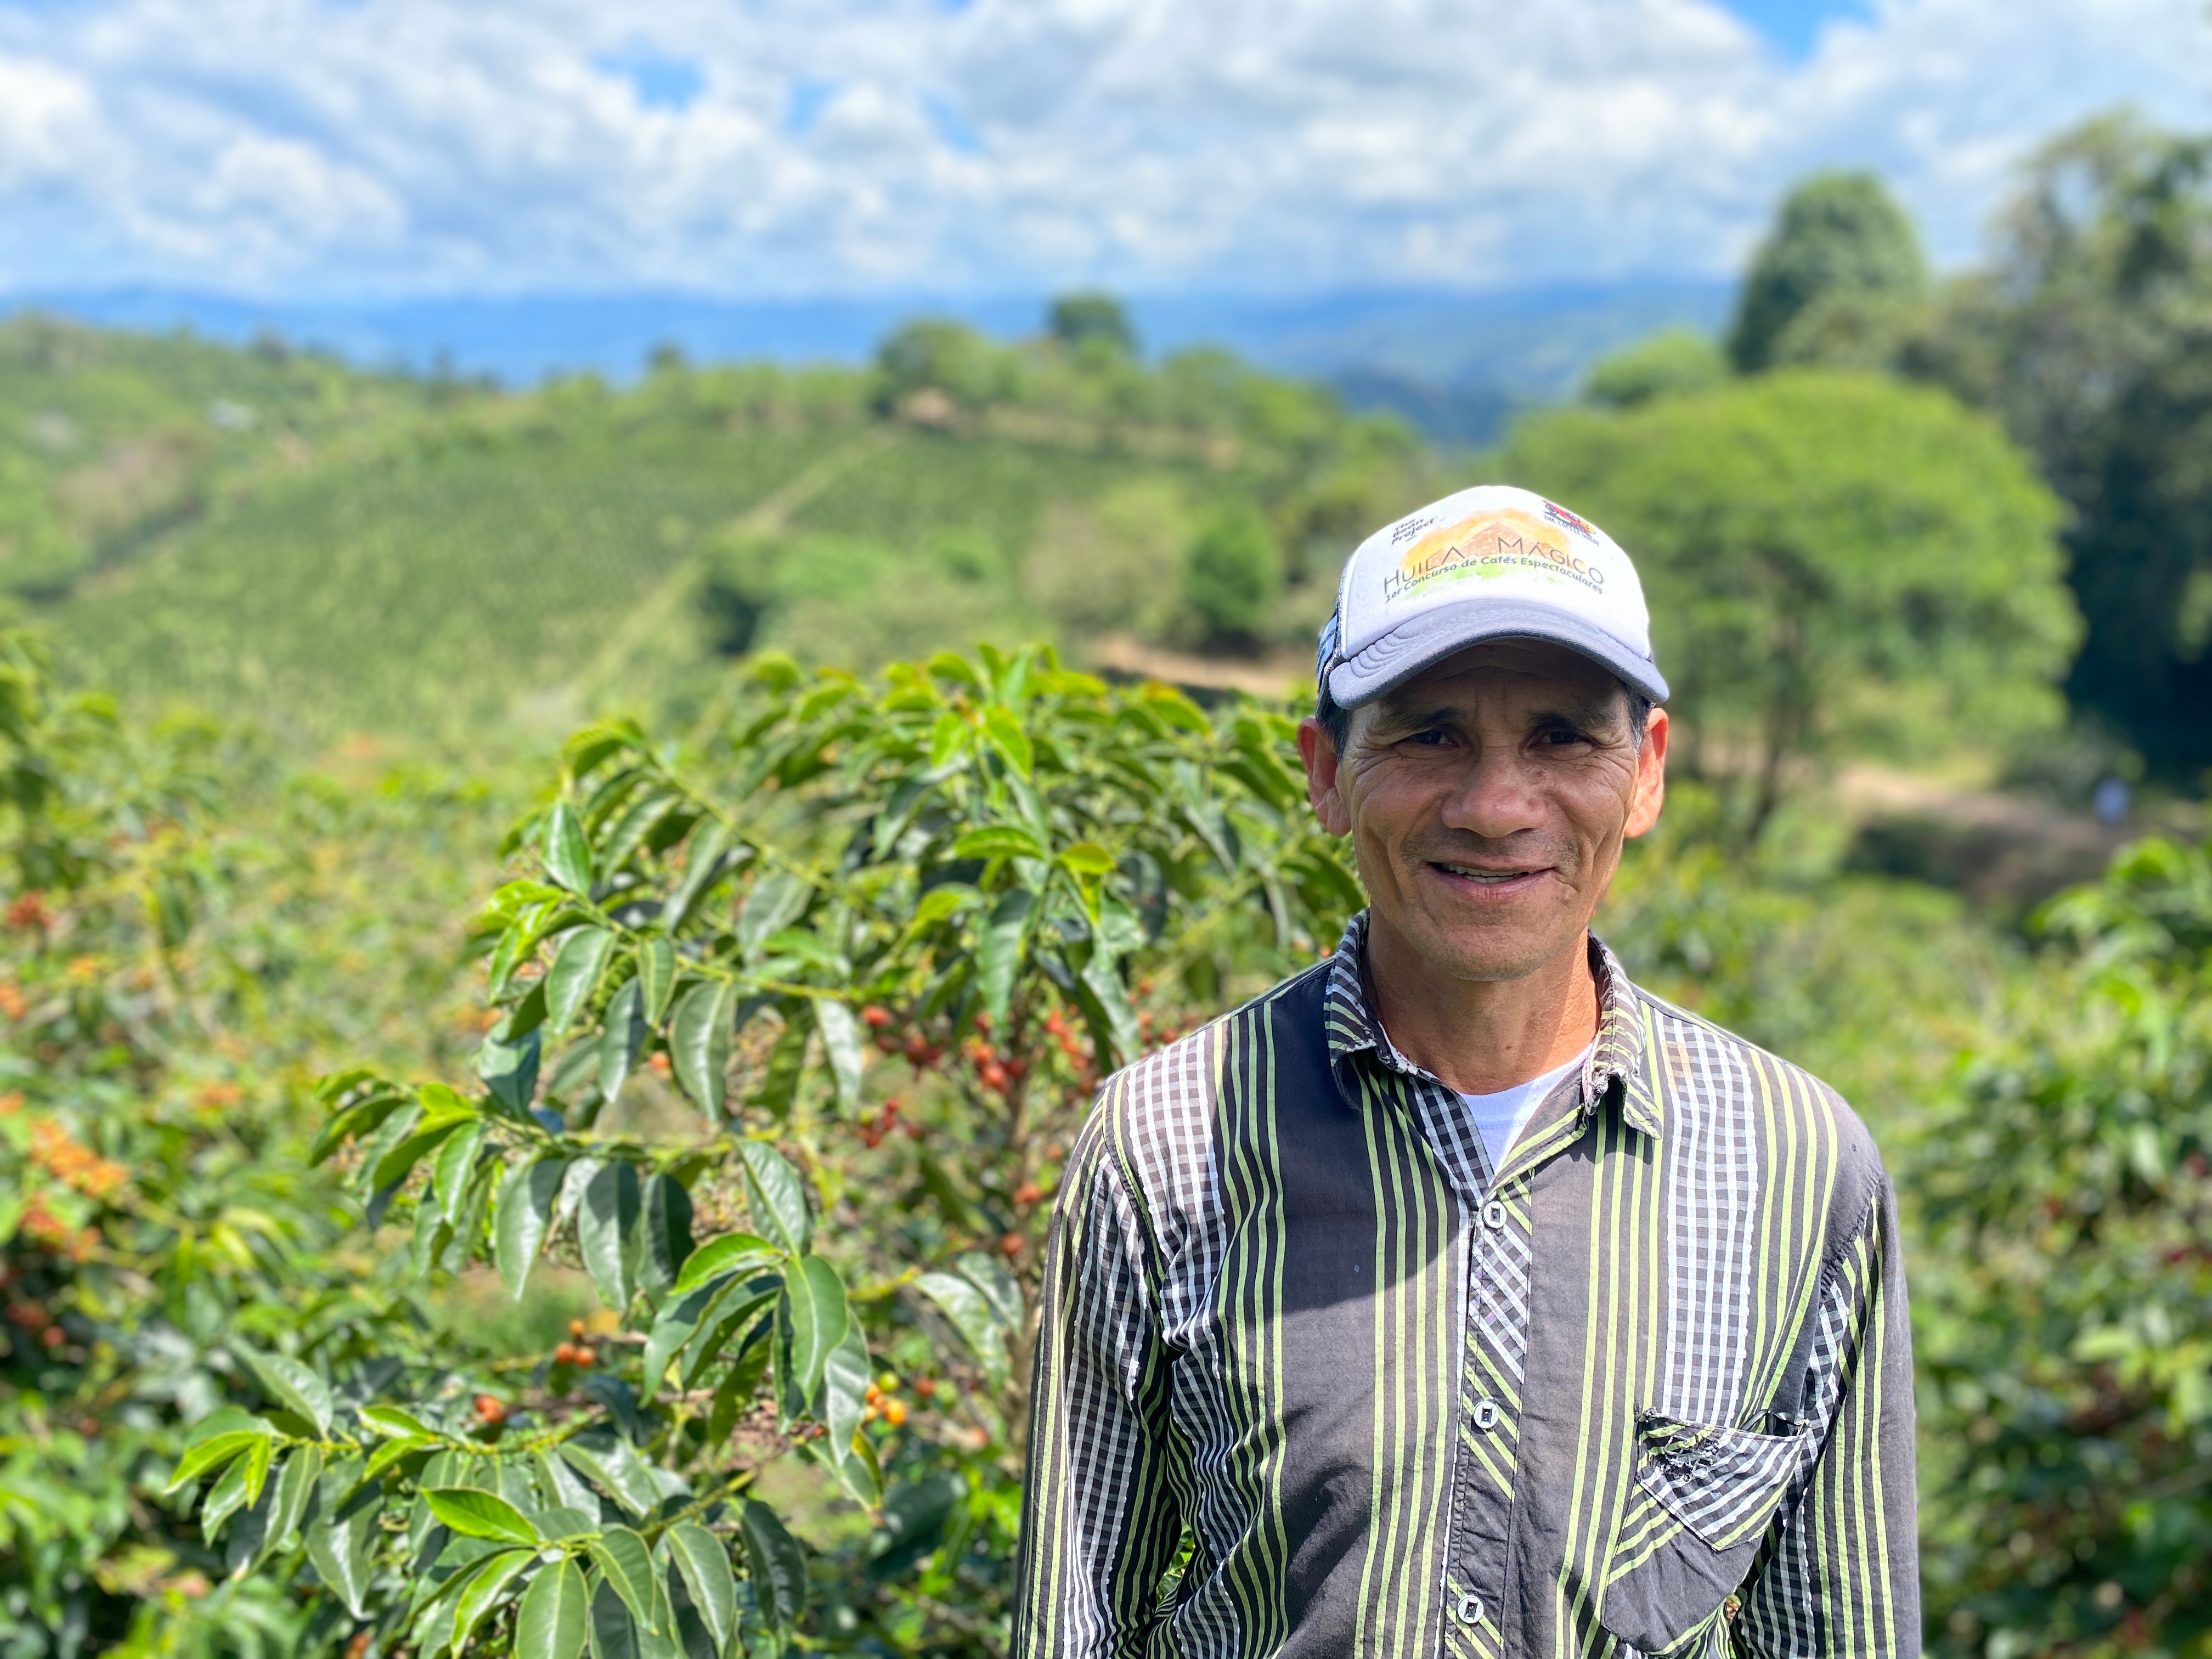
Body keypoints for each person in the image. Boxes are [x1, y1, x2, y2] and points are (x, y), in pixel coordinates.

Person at [1014, 486, 1917, 1658]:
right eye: (1429, 733)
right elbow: (1075, 1630)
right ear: (1327, 774)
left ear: (1644, 773)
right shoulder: (1168, 1144)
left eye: (1562, 737)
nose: (1495, 808)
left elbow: (1841, 1634)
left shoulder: (1797, 1164)